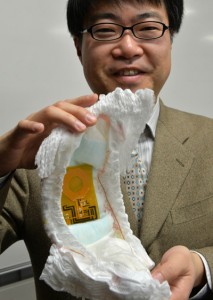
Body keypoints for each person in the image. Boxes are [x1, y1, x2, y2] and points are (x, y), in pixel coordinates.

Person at [0, 0, 212, 299]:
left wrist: (202, 265)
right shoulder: (36, 152)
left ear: (170, 39)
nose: (128, 48)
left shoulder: (210, 139)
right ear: (78, 46)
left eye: (148, 28)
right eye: (105, 29)